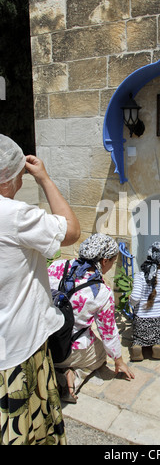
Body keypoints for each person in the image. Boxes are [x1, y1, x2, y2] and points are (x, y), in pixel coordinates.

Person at [0, 134, 81, 445]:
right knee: (28, 426)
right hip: (19, 349)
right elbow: (71, 230)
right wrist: (45, 179)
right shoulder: (14, 215)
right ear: (6, 180)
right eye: (19, 174)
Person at [48, 233, 135, 403]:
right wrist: (118, 361)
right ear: (104, 261)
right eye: (112, 261)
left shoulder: (56, 266)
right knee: (100, 354)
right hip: (65, 349)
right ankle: (71, 375)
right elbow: (108, 333)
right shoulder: (100, 292)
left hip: (43, 340)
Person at [129, 242, 160, 361]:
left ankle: (138, 346)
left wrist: (131, 302)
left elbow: (135, 298)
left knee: (138, 334)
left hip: (141, 321)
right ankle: (158, 345)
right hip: (159, 321)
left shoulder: (139, 277)